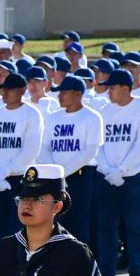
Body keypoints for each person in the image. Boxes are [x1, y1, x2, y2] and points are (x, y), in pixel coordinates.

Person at [93, 70, 140, 276]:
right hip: (106, 176)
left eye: (112, 87)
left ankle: (138, 268)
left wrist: (121, 170)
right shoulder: (103, 111)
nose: (108, 91)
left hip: (132, 176)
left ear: (126, 89)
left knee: (134, 224)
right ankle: (107, 269)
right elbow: (97, 144)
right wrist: (108, 170)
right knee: (106, 226)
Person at [0, 73, 43, 256]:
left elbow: (31, 150)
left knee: (19, 226)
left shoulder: (32, 114)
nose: (5, 94)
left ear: (22, 91)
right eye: (4, 90)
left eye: (9, 90)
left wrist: (5, 171)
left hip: (21, 180)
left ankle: (19, 264)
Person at [39, 75, 102, 246]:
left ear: (77, 94)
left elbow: (90, 151)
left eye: (64, 92)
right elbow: (44, 148)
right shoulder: (52, 117)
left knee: (81, 224)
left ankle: (84, 268)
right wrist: (55, 174)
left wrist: (62, 173)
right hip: (56, 180)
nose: (59, 96)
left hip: (81, 177)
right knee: (57, 225)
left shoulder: (92, 117)